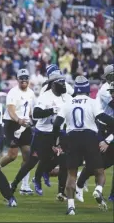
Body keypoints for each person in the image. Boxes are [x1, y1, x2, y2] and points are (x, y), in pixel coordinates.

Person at [53, 76, 114, 215]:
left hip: (72, 137)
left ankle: (71, 207)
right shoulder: (92, 102)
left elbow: (56, 125)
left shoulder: (67, 103)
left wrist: (57, 142)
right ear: (87, 88)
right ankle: (98, 190)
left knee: (72, 173)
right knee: (99, 170)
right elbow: (102, 118)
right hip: (89, 137)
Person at [10, 71, 71, 200]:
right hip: (43, 134)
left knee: (63, 161)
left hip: (59, 133)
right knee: (31, 162)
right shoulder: (45, 96)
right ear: (53, 84)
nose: (63, 84)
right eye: (60, 82)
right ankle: (15, 184)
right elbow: (36, 114)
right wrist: (52, 110)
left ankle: (61, 192)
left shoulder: (66, 96)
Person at [76, 68, 114, 203]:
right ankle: (80, 180)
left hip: (110, 126)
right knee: (100, 162)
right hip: (105, 126)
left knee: (106, 162)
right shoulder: (105, 89)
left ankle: (109, 193)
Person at [0, 69, 36, 195]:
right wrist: (19, 120)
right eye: (21, 78)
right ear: (17, 79)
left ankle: (24, 185)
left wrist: (31, 119)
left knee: (28, 155)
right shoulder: (13, 92)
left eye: (26, 78)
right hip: (12, 123)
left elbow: (30, 109)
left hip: (25, 124)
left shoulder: (31, 92)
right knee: (12, 155)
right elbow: (10, 110)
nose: (24, 80)